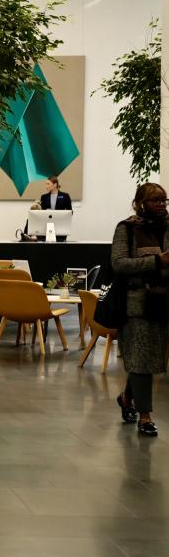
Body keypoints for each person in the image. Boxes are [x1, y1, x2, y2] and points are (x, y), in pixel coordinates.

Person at [112, 183, 169, 437]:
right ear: (140, 202)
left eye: (164, 200)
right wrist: (157, 261)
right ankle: (144, 416)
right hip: (136, 303)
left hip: (163, 302)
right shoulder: (127, 228)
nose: (161, 205)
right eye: (155, 200)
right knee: (142, 358)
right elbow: (119, 264)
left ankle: (126, 398)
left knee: (144, 359)